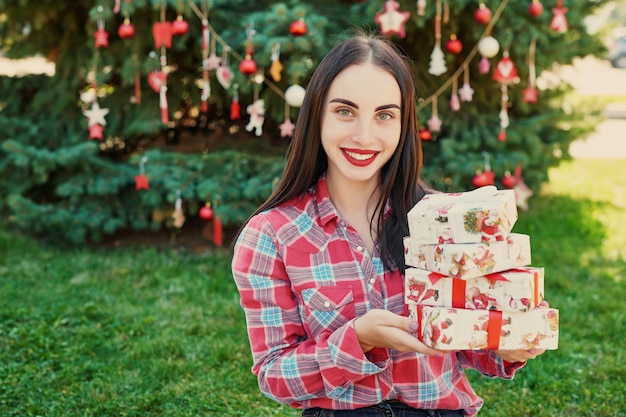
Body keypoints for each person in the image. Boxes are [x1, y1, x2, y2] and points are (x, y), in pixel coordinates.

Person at [231, 32, 546, 417]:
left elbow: (470, 339)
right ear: (316, 114)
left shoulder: (443, 220)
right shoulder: (271, 236)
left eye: (384, 115)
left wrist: (509, 341)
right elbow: (275, 376)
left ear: (403, 124)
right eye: (345, 111)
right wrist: (357, 339)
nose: (365, 136)